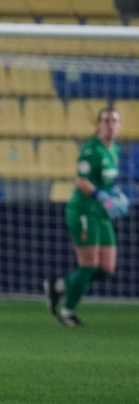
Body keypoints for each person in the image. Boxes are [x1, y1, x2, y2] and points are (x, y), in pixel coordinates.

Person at [45, 108, 127, 326]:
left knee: (107, 269)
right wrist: (103, 197)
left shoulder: (115, 150)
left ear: (119, 126)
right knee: (89, 265)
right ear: (98, 125)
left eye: (114, 121)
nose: (110, 124)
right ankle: (67, 313)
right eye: (106, 120)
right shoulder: (91, 151)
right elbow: (81, 182)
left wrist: (116, 196)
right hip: (82, 211)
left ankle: (60, 287)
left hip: (100, 213)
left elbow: (105, 182)